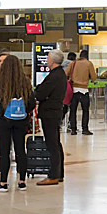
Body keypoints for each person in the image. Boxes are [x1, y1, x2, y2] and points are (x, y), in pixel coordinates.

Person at [0, 53, 35, 191]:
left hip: (4, 121)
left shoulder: (0, 82)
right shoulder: (25, 82)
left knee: (4, 151)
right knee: (20, 150)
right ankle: (22, 182)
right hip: (21, 121)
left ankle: (3, 182)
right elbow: (31, 103)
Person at [33, 49, 67, 186]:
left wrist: (37, 92)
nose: (47, 60)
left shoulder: (54, 76)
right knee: (56, 143)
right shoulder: (60, 74)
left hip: (50, 113)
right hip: (55, 112)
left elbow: (41, 93)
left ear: (52, 60)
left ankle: (53, 175)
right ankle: (59, 173)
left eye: (48, 58)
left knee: (52, 144)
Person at [67, 49, 96, 135]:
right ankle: (85, 129)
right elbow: (94, 78)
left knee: (73, 111)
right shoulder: (89, 63)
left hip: (74, 90)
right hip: (84, 90)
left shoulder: (73, 63)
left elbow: (66, 73)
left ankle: (73, 129)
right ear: (87, 56)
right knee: (85, 110)